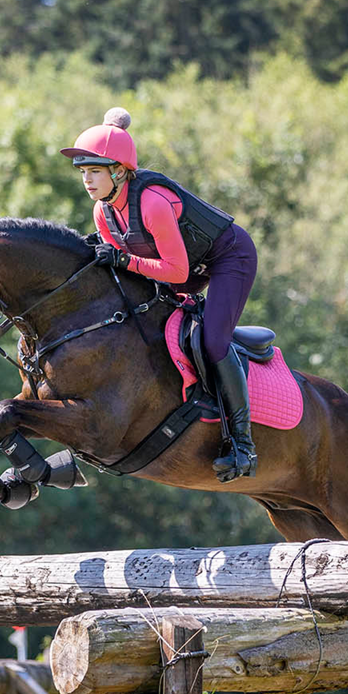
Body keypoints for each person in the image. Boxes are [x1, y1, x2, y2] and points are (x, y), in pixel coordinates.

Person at [61, 107, 259, 482]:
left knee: (214, 343)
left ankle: (243, 445)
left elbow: (177, 272)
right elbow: (128, 271)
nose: (86, 180)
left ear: (118, 171)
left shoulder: (152, 202)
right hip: (182, 264)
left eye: (94, 171)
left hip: (227, 258)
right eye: (83, 172)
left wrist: (121, 259)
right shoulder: (102, 213)